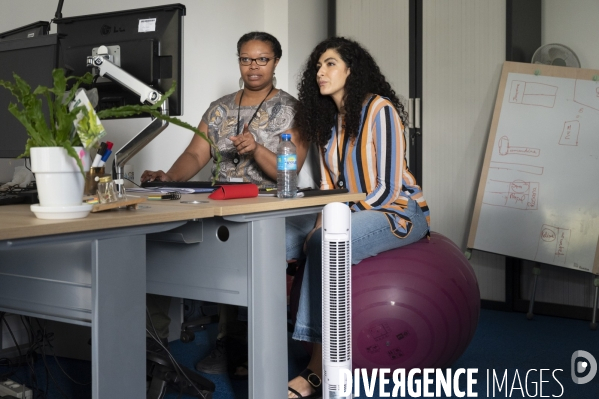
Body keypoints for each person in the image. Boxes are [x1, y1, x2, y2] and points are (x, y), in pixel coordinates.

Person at [141, 31, 309, 377]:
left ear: (275, 61)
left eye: (262, 59)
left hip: (265, 207)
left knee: (242, 258)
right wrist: (169, 178)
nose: (254, 67)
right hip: (218, 202)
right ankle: (149, 346)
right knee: (153, 246)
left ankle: (239, 342)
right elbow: (194, 153)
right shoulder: (218, 109)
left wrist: (256, 149)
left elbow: (288, 173)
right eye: (246, 59)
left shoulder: (294, 110)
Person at [285, 37, 431, 398]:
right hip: (347, 212)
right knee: (276, 234)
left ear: (352, 70)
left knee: (322, 242)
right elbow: (328, 187)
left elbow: (386, 188)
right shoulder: (327, 124)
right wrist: (321, 216)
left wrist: (326, 224)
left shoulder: (379, 109)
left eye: (330, 64)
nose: (321, 72)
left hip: (397, 212)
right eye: (317, 66)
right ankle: (257, 343)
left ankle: (316, 369)